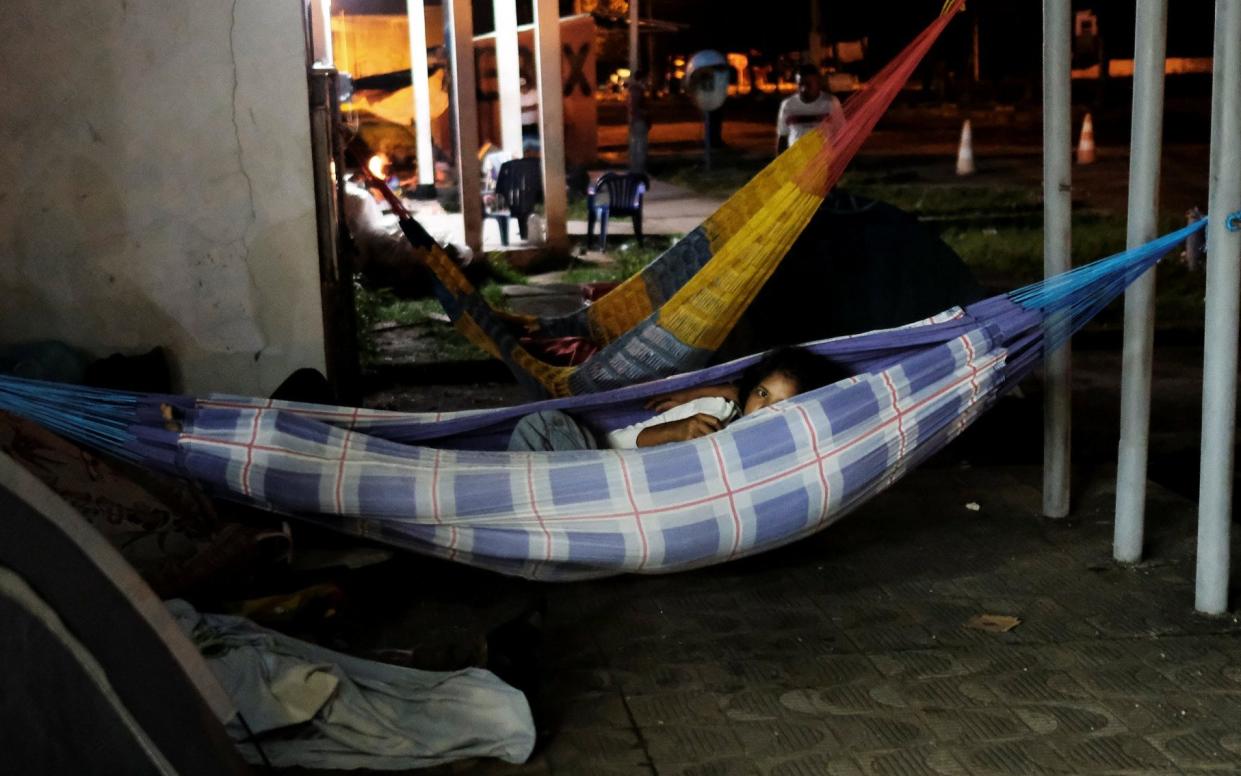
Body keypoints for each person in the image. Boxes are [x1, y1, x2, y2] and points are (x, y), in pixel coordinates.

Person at [508, 347, 850, 452]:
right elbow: (611, 447)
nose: (764, 407)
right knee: (541, 425)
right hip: (597, 470)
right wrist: (674, 431)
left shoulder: (788, 453)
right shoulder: (716, 413)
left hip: (629, 508)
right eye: (762, 394)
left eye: (780, 403)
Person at [775, 64, 845, 155]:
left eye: (808, 84)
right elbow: (783, 136)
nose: (803, 89)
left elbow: (841, 133)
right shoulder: (788, 105)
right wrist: (780, 165)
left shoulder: (831, 103)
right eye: (800, 84)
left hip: (823, 161)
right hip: (797, 162)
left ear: (818, 83)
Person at [626, 69, 650, 175]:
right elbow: (636, 108)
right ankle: (639, 171)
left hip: (635, 121)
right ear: (643, 78)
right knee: (640, 147)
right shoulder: (638, 91)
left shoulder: (634, 90)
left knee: (635, 146)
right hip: (639, 121)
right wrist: (646, 114)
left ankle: (635, 169)